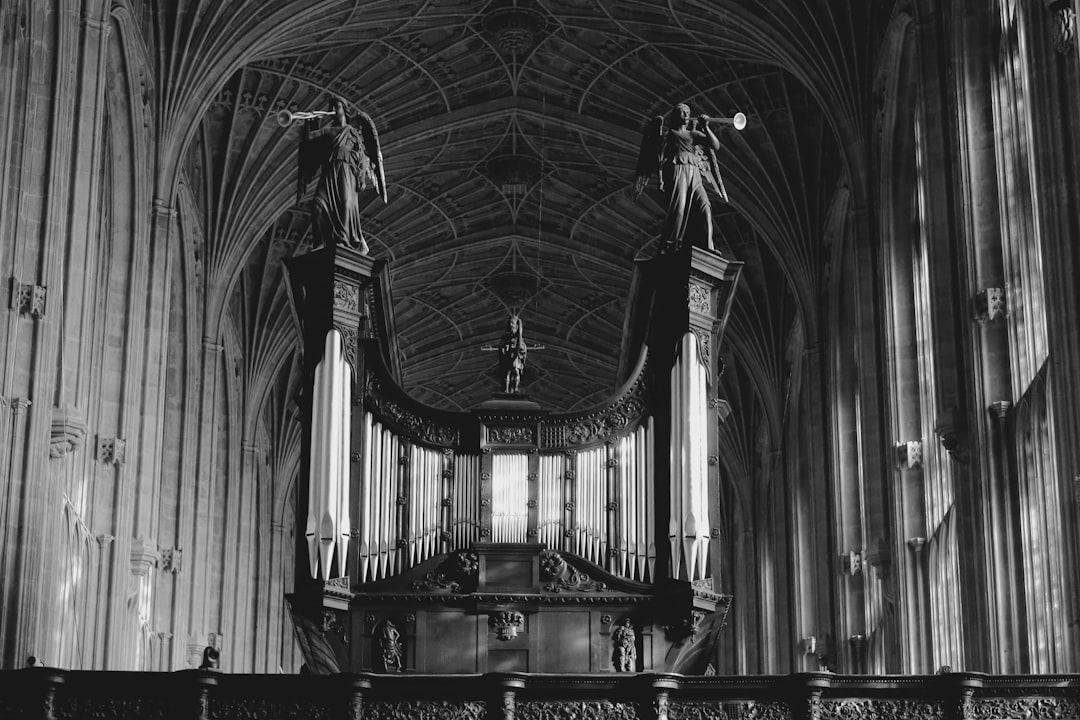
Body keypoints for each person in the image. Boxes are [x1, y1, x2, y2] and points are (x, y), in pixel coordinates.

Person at [635, 102, 728, 254]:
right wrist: (661, 179)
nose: (685, 116)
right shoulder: (670, 135)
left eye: (687, 112)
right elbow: (659, 156)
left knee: (705, 207)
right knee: (678, 209)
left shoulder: (693, 135)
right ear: (675, 116)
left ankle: (706, 246)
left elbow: (715, 145)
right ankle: (670, 246)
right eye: (681, 112)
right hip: (677, 171)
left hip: (695, 173)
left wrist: (706, 127)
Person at [297, 97, 387, 253]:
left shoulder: (352, 132)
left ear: (344, 109)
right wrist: (308, 121)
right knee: (318, 205)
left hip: (346, 172)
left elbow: (360, 156)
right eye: (332, 106)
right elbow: (308, 138)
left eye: (337, 106)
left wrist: (361, 178)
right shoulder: (328, 131)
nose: (334, 109)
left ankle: (343, 240)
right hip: (329, 172)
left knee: (345, 203)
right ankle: (320, 242)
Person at [499, 314, 528, 394]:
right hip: (507, 356)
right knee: (506, 373)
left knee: (516, 372)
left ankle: (515, 388)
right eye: (510, 323)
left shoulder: (519, 338)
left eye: (512, 323)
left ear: (516, 325)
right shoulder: (505, 337)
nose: (511, 325)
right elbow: (501, 346)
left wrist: (519, 349)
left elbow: (523, 347)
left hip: (516, 358)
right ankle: (506, 389)